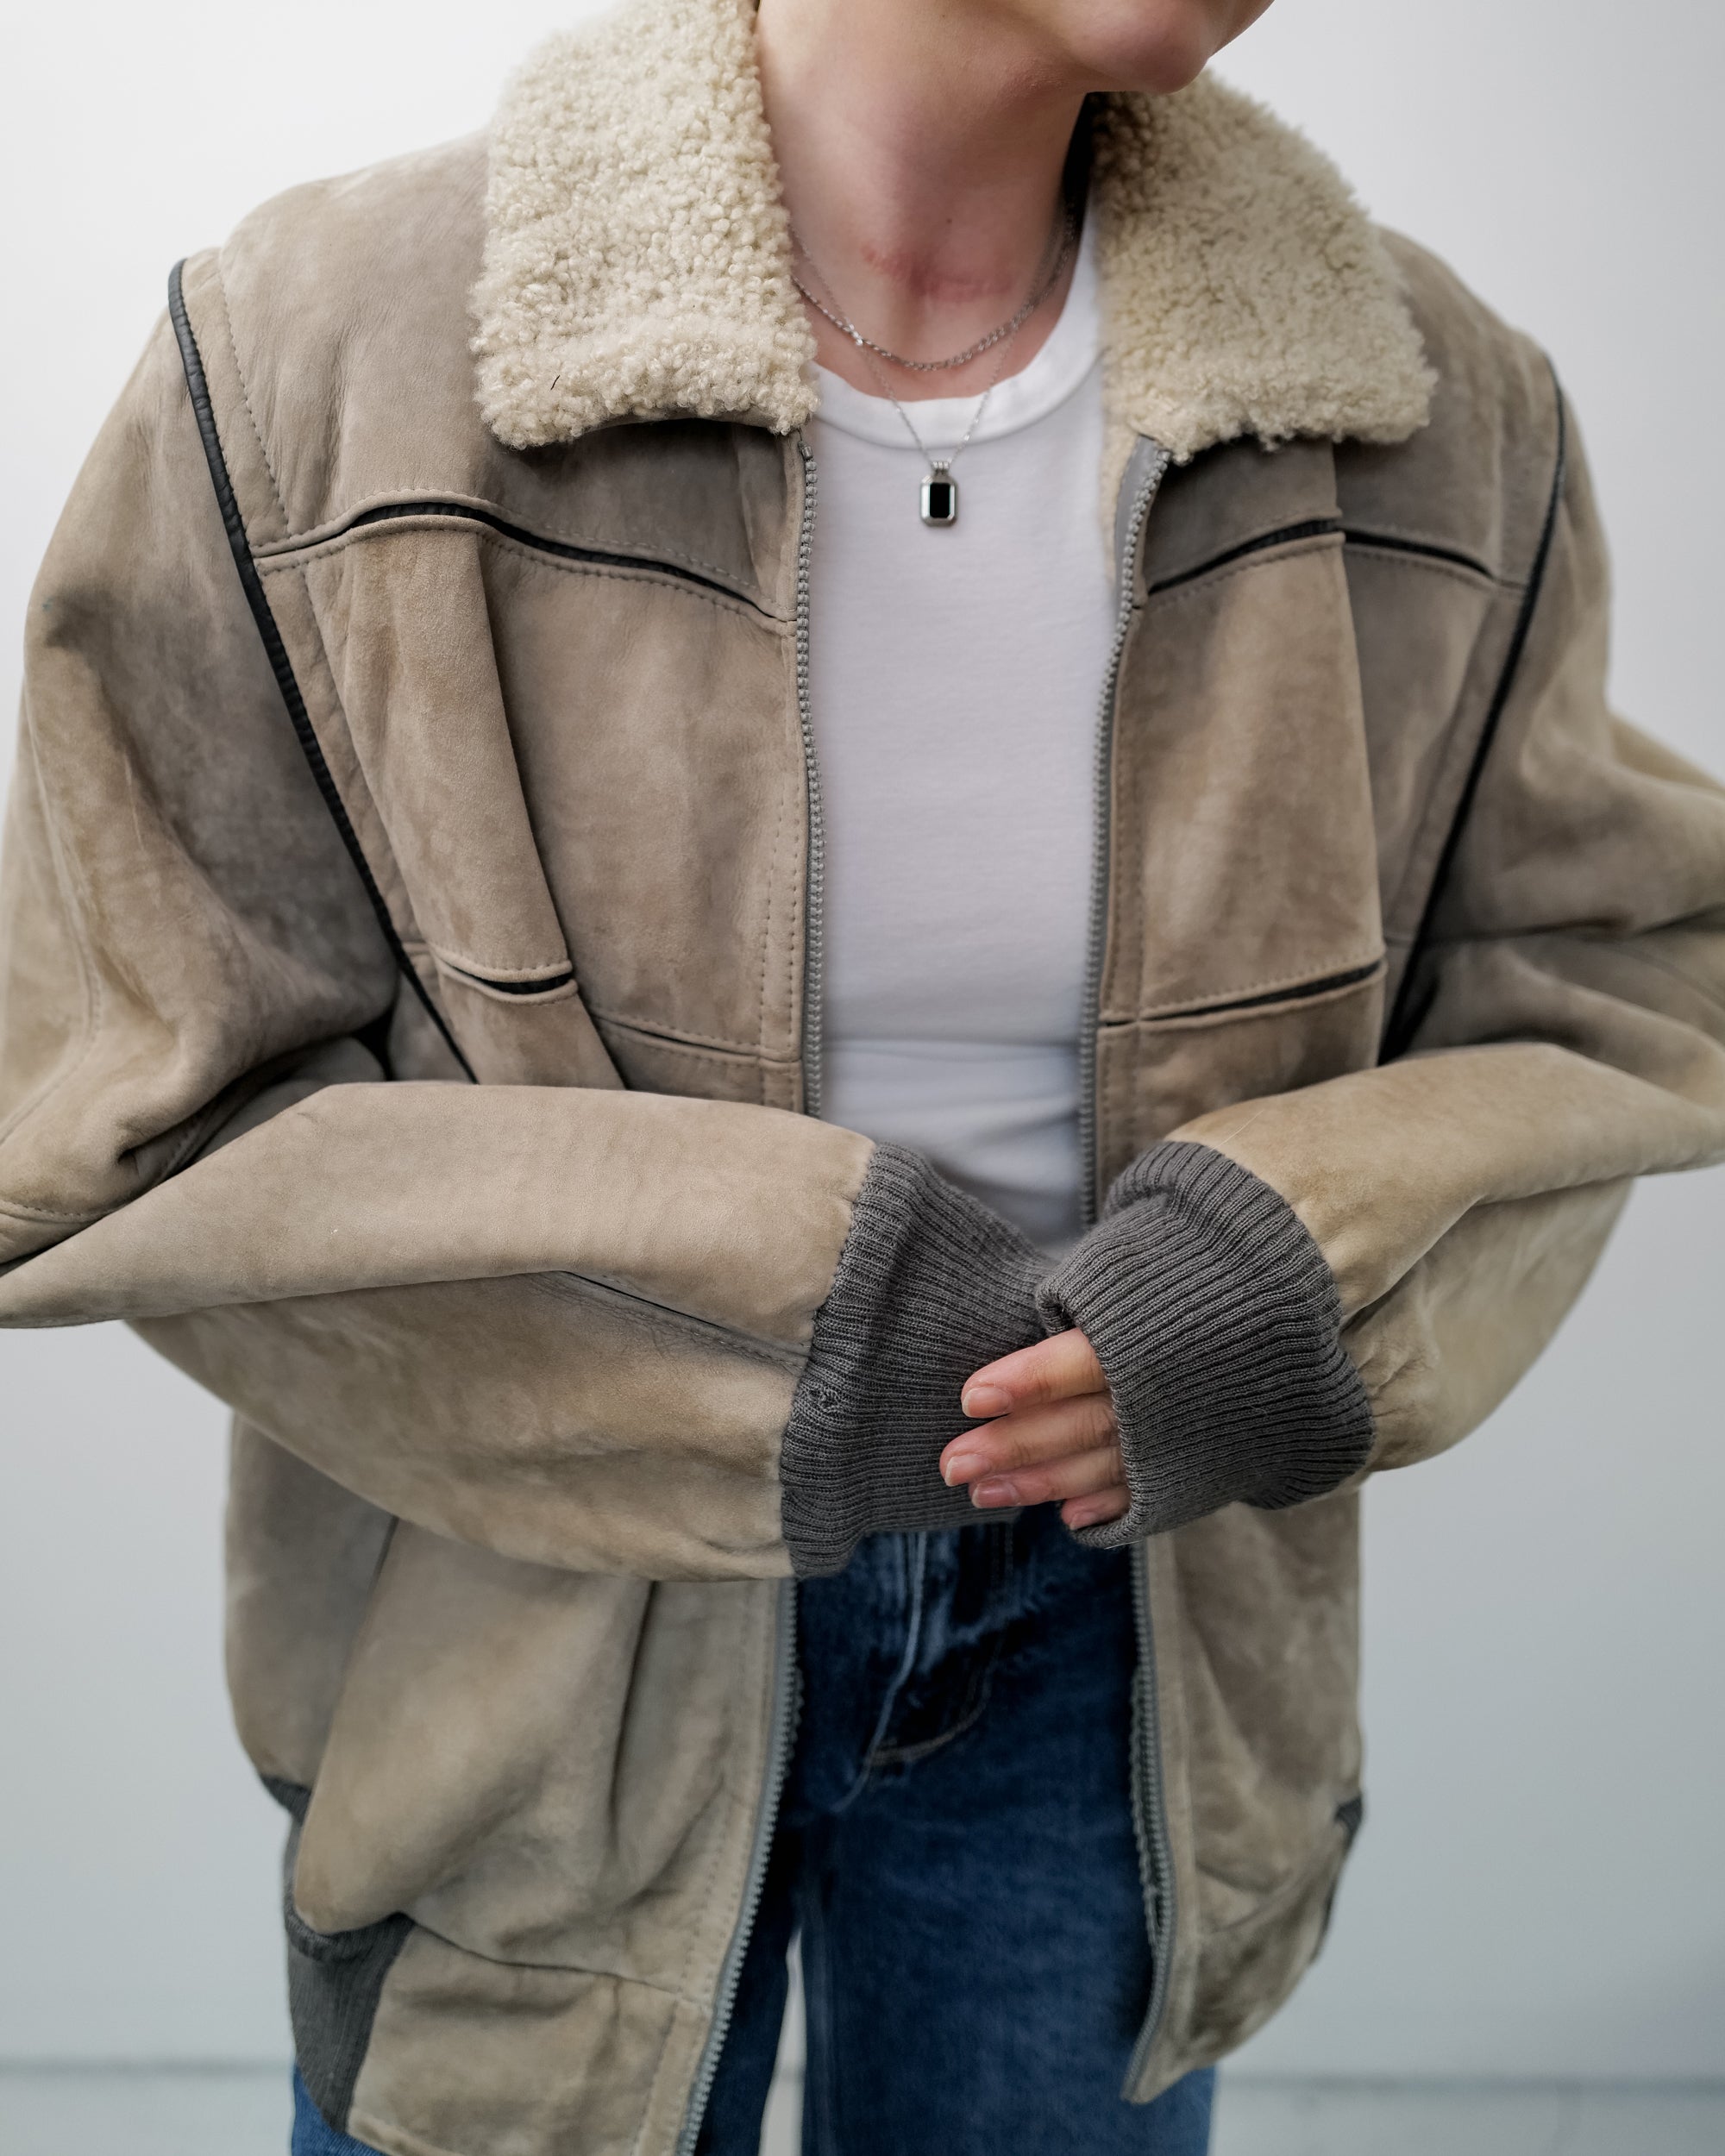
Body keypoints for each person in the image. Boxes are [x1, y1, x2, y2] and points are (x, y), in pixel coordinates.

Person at [3, 0, 1722, 2150]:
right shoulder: (313, 353)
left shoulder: (1436, 410)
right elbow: (110, 1106)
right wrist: (795, 1318)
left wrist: (1280, 1275)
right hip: (529, 1619)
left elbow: (1616, 979)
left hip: (1124, 1624)